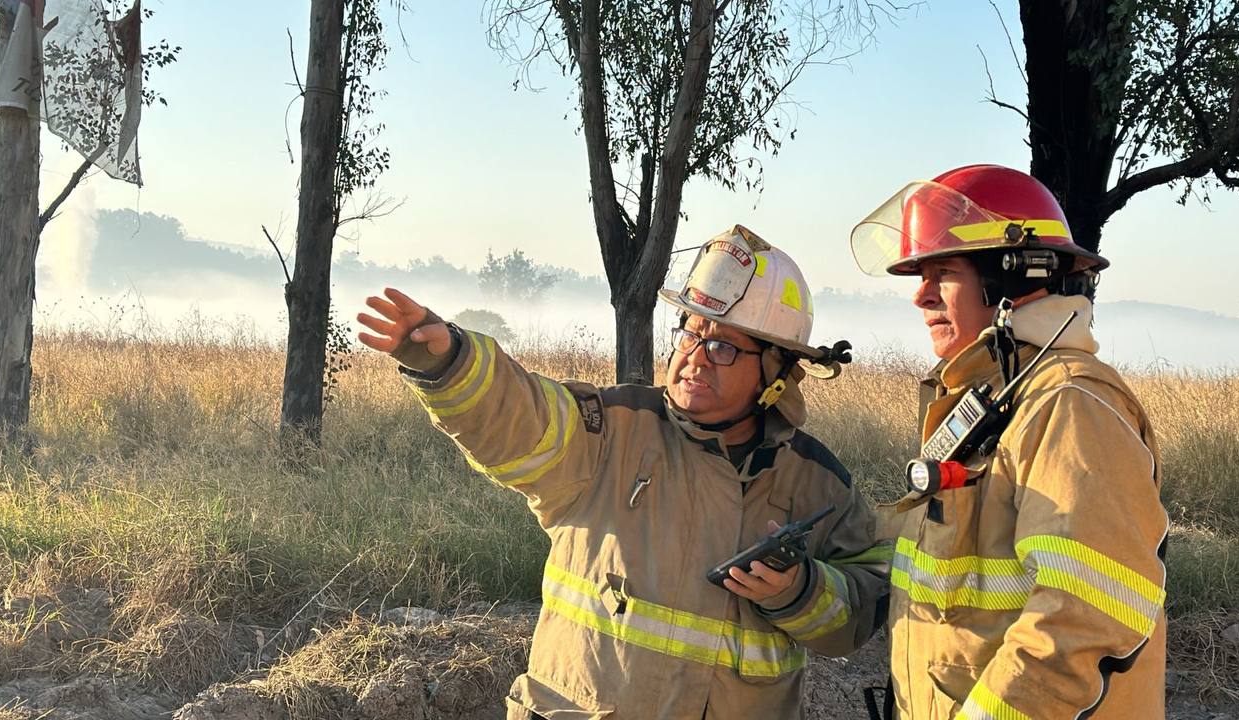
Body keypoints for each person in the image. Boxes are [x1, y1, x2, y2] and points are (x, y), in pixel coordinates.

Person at [358, 225, 890, 720]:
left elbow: (862, 614)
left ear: (776, 370)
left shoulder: (820, 484)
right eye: (690, 333)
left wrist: (798, 590)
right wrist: (450, 363)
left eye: (724, 346)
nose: (696, 358)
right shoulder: (611, 430)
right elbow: (521, 417)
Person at [849, 164, 1169, 719]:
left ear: (1015, 277)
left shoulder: (1069, 404)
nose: (920, 297)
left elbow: (1084, 614)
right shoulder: (1001, 399)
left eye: (941, 272)